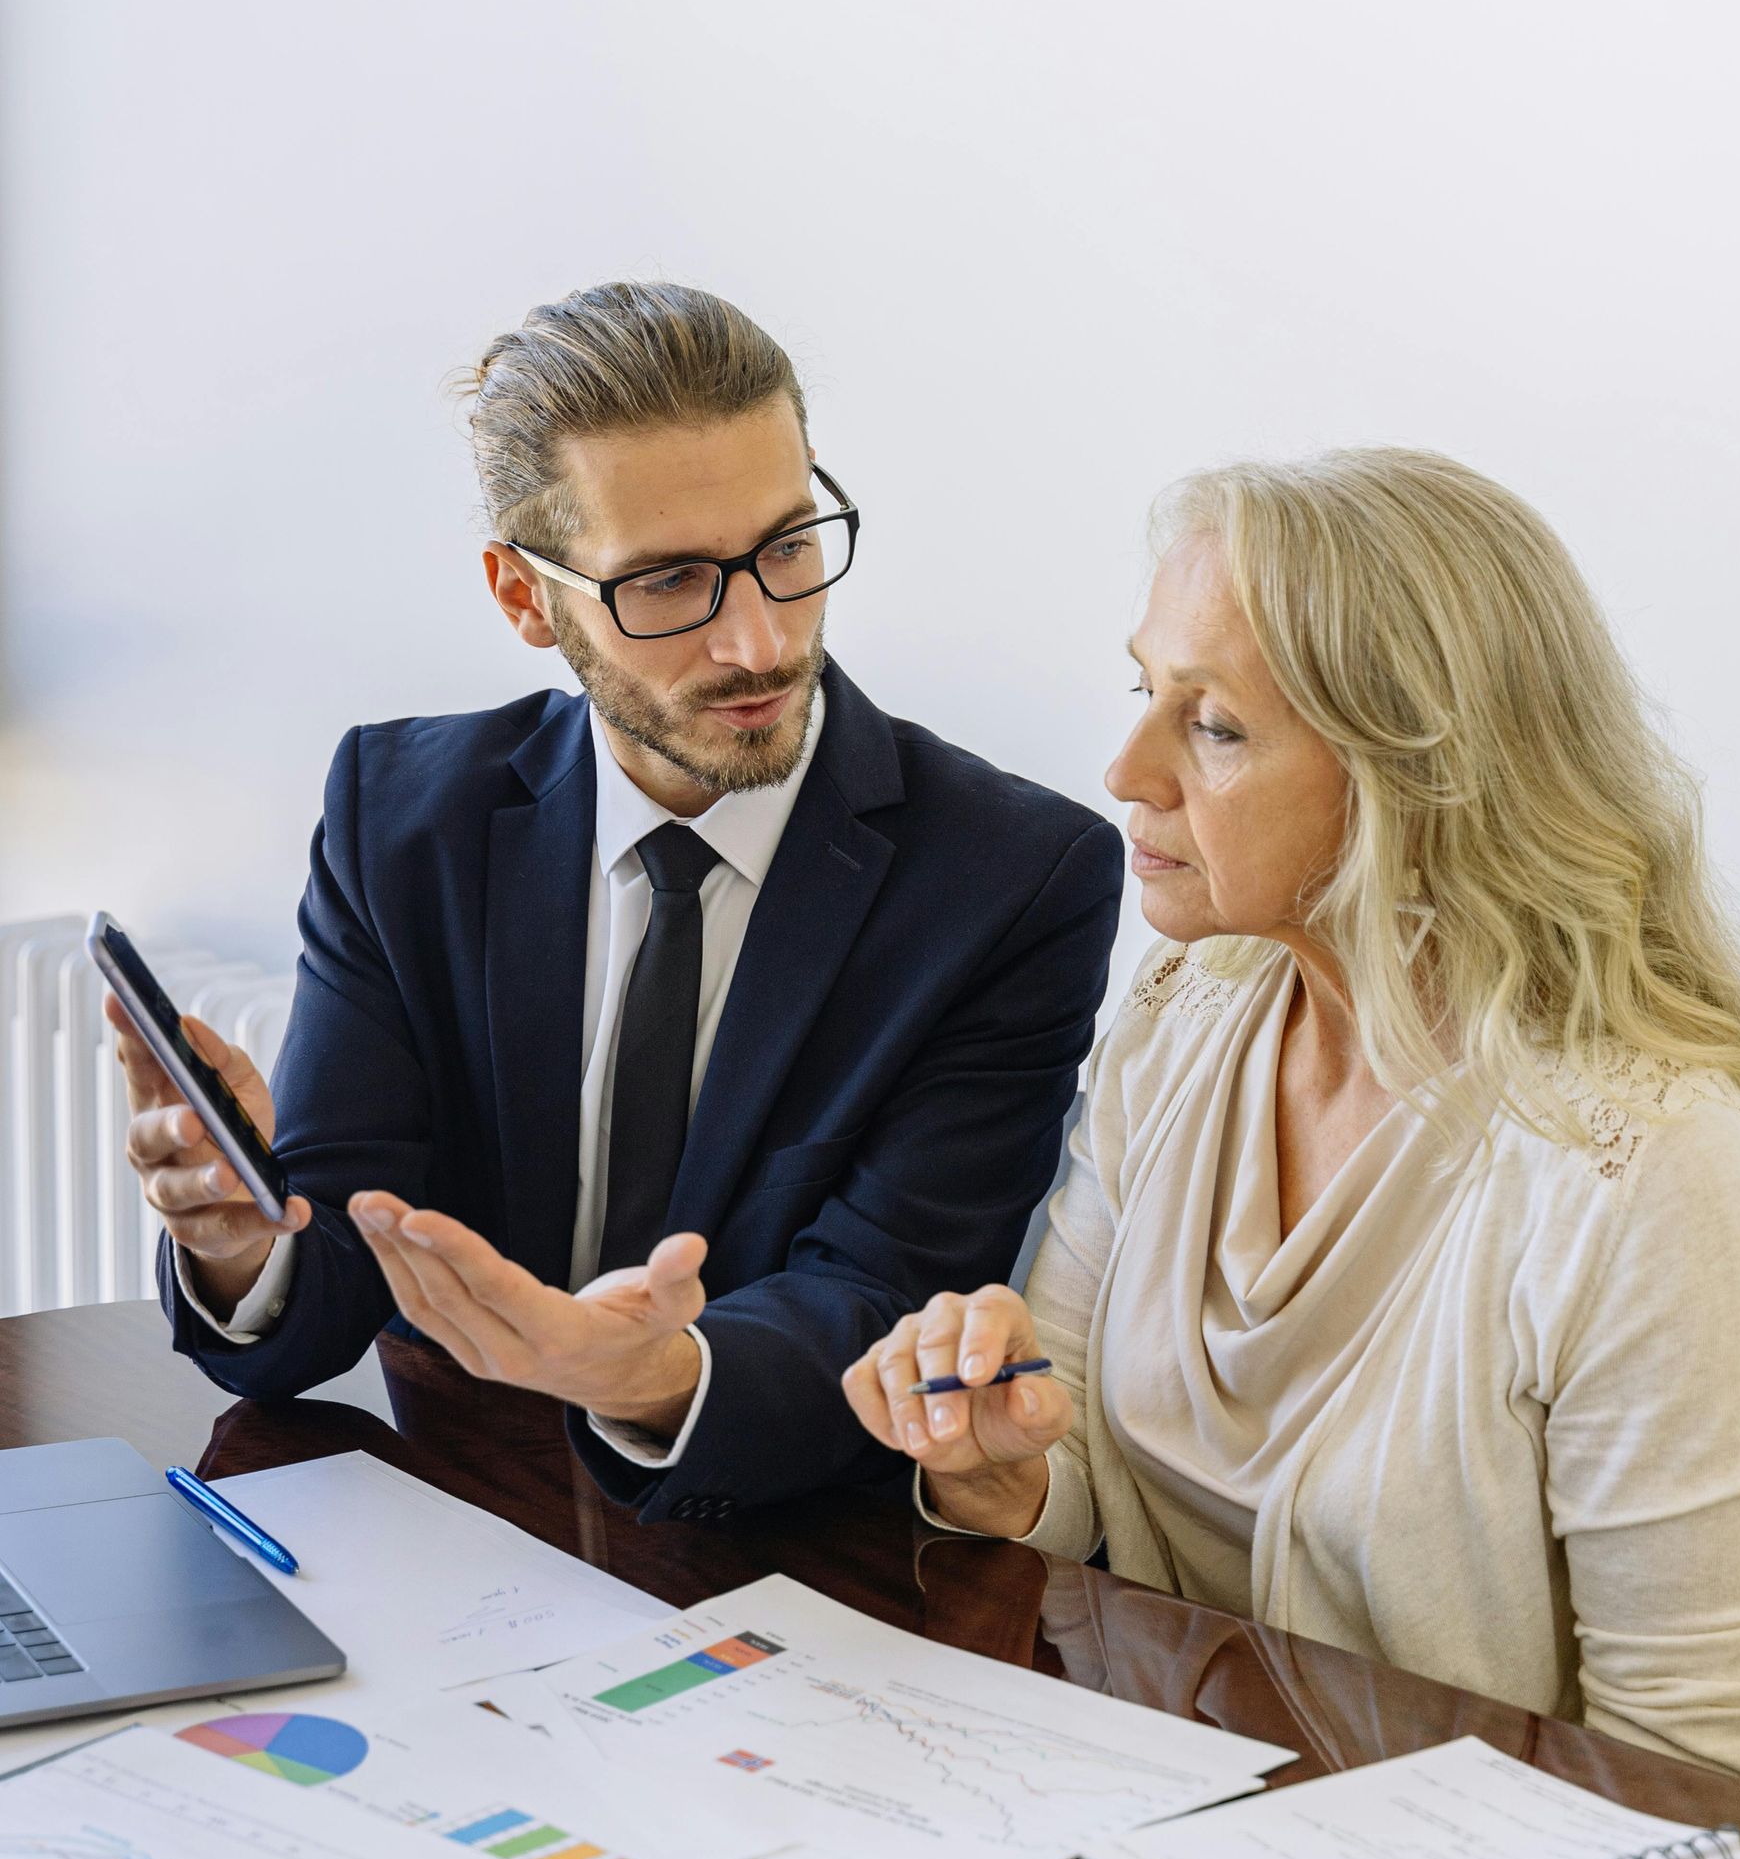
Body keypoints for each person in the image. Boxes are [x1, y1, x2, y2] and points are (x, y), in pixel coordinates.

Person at [845, 448, 1740, 1815]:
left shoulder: (1643, 1168)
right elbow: (1085, 1484)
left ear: (1419, 777)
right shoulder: (1187, 1009)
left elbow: (1689, 1765)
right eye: (1146, 692)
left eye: (1212, 725)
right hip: (1235, 1821)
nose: (1126, 768)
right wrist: (997, 1465)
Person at [115, 282, 1121, 1515]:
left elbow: (883, 1292)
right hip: (471, 1526)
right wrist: (238, 1243)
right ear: (523, 597)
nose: (757, 642)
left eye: (789, 548)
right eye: (666, 583)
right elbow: (323, 1288)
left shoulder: (1014, 877)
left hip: (799, 1543)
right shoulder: (402, 815)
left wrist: (652, 1378)